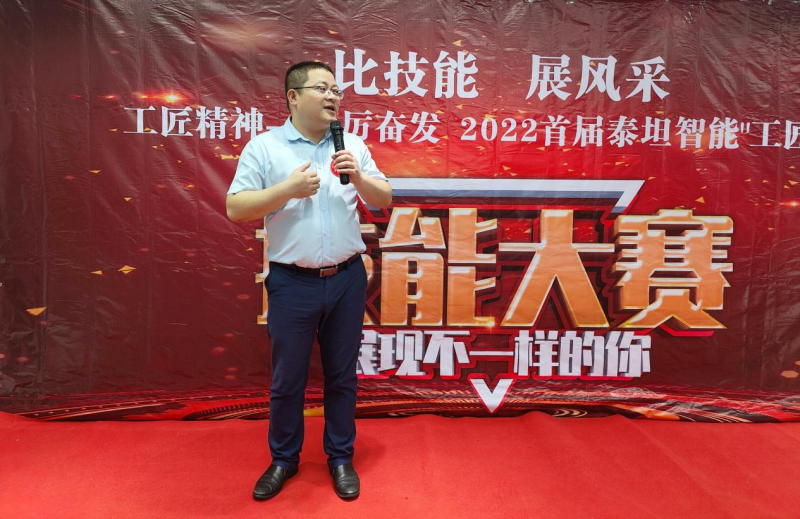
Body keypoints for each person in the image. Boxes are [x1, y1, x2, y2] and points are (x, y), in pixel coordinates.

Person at [225, 61, 392, 501]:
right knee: (288, 379)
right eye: (323, 88)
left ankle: (340, 457)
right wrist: (287, 190)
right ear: (293, 97)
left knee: (342, 376)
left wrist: (358, 176)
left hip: (347, 278)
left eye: (337, 90)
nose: (334, 96)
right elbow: (236, 207)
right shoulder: (265, 147)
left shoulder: (352, 144)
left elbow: (385, 198)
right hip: (291, 282)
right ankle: (284, 459)